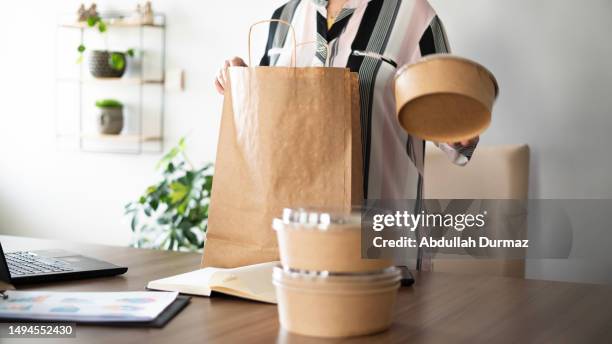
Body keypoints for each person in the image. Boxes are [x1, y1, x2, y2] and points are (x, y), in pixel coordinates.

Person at [214, 0, 479, 270]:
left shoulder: (414, 15)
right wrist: (241, 81)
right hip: (293, 254)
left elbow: (453, 129)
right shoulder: (284, 18)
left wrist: (459, 127)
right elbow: (268, 128)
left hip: (383, 245)